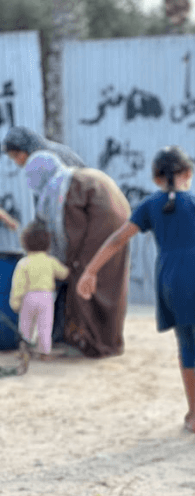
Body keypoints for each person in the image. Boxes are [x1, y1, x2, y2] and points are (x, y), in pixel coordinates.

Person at [76, 145, 195, 440]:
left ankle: (194, 413)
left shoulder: (149, 205)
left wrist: (90, 270)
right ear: (188, 174)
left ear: (155, 178)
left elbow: (118, 239)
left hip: (169, 278)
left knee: (186, 344)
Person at [24, 151, 130, 357]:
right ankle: (110, 341)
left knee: (82, 275)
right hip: (118, 220)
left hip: (100, 222)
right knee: (108, 282)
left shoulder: (60, 187)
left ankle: (89, 342)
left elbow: (68, 231)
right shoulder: (74, 176)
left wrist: (64, 261)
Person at [9, 220, 69, 359]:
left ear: (24, 243)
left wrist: (15, 302)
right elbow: (64, 273)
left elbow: (18, 285)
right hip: (46, 297)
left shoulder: (23, 263)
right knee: (45, 326)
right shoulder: (50, 260)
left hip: (28, 297)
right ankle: (44, 352)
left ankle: (24, 351)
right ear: (48, 244)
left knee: (25, 326)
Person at [2, 126, 85, 169]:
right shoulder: (36, 166)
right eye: (12, 157)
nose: (16, 161)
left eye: (16, 155)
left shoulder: (54, 158)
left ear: (26, 147)